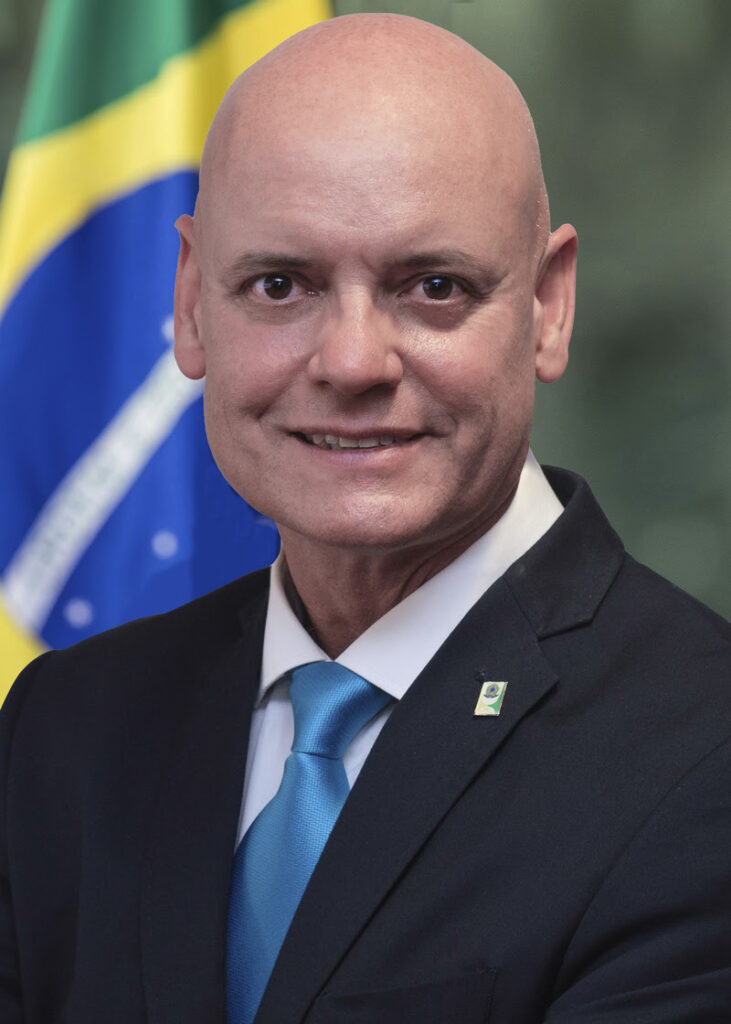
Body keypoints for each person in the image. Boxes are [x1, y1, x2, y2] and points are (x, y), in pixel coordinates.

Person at [0, 13, 729, 1024]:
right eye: (279, 285)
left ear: (547, 306)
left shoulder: (702, 755)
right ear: (192, 302)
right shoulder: (66, 726)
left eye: (432, 287)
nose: (350, 363)